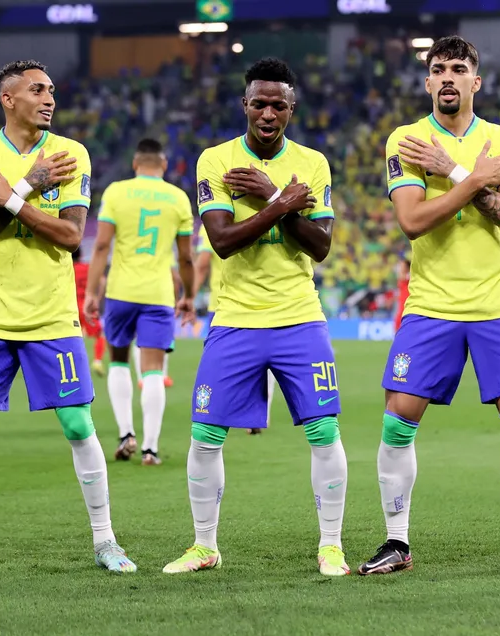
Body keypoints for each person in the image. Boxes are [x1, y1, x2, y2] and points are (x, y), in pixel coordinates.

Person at [0, 59, 135, 575]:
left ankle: (106, 540)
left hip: (51, 317)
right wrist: (29, 187)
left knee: (79, 423)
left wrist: (16, 194)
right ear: (8, 99)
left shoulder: (70, 154)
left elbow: (69, 237)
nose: (49, 98)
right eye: (37, 89)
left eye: (52, 90)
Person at [357, 36, 500, 578]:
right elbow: (413, 220)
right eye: (437, 69)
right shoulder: (407, 139)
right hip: (432, 304)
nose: (447, 77)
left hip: (497, 301)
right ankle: (396, 540)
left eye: (458, 69)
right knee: (397, 424)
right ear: (426, 81)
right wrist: (477, 180)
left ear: (475, 81)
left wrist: (457, 172)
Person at [162, 57, 349, 577]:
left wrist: (268, 196)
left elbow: (321, 247)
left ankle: (331, 544)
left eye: (278, 105)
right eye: (259, 103)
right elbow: (222, 242)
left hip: (299, 318)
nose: (268, 113)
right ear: (244, 105)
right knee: (204, 435)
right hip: (235, 318)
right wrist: (283, 203)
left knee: (324, 432)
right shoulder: (215, 161)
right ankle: (204, 546)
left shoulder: (313, 162)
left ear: (291, 109)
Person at [84, 138, 195, 466]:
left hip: (120, 292)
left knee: (118, 360)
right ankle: (150, 448)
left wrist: (92, 292)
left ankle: (125, 434)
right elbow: (186, 257)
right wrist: (188, 296)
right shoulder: (177, 198)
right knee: (152, 370)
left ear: (135, 164)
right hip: (158, 295)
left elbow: (101, 246)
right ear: (163, 165)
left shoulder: (117, 192)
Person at [193, 222, 276, 435]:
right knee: (268, 358)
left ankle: (220, 413)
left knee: (223, 363)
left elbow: (202, 263)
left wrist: (189, 294)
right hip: (263, 300)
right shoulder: (265, 216)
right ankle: (260, 415)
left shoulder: (212, 223)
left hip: (224, 303)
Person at [72, 249, 107, 376]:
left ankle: (73, 366)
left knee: (71, 338)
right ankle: (97, 361)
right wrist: (97, 298)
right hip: (87, 306)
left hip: (71, 307)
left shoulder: (67, 269)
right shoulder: (88, 267)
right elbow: (103, 281)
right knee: (99, 335)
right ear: (81, 255)